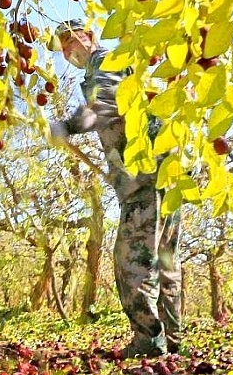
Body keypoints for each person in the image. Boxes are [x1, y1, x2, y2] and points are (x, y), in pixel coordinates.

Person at [49, 19, 182, 357]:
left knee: (132, 259)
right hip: (163, 174)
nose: (68, 50)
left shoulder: (105, 61)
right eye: (62, 48)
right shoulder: (114, 64)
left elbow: (106, 103)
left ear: (89, 36)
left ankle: (149, 343)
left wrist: (68, 126)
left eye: (71, 40)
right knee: (165, 259)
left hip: (144, 178)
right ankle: (171, 341)